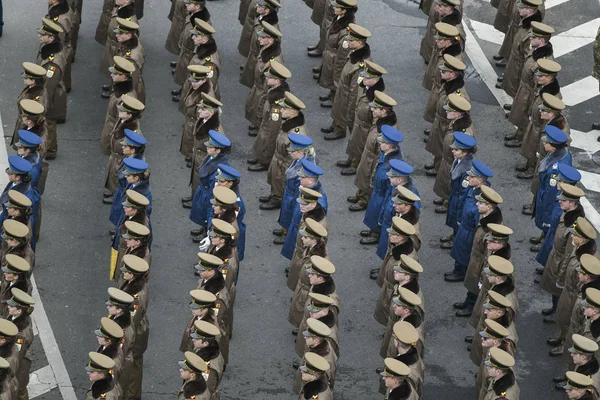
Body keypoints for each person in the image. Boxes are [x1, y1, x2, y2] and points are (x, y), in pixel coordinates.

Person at [551, 217, 598, 355]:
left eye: (575, 235)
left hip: (575, 295)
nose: (572, 236)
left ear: (582, 239)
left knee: (571, 322)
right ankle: (561, 337)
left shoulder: (588, 260)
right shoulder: (578, 247)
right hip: (568, 290)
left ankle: (564, 343)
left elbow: (586, 284)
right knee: (562, 317)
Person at [455, 187, 505, 317]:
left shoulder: (492, 229)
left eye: (481, 203)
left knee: (478, 287)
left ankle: (472, 306)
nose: (477, 204)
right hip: (477, 257)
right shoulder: (485, 216)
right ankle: (468, 301)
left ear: (489, 206)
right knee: (472, 283)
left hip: (482, 262)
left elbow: (490, 255)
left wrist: (484, 274)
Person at [349, 91, 398, 211]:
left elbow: (380, 156)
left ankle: (364, 200)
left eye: (376, 108)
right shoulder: (380, 121)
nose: (372, 110)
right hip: (368, 155)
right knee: (362, 176)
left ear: (384, 111)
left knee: (367, 178)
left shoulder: (386, 131)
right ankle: (360, 195)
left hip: (373, 159)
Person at [322, 23, 372, 141]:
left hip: (347, 94)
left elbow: (355, 90)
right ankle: (336, 126)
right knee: (338, 109)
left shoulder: (361, 65)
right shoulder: (354, 52)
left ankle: (341, 132)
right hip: (343, 89)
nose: (348, 42)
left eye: (351, 40)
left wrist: (350, 110)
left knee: (351, 127)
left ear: (359, 43)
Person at [446, 160, 494, 283]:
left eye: (471, 176)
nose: (468, 178)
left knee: (465, 253)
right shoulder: (472, 189)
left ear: (480, 180)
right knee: (460, 250)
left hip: (470, 230)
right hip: (464, 225)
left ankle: (461, 272)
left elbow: (480, 221)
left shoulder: (483, 198)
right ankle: (459, 270)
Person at [337, 60, 387, 174]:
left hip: (366, 126)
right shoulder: (367, 88)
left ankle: (356, 164)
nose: (364, 79)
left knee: (361, 145)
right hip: (359, 121)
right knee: (354, 141)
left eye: (367, 78)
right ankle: (351, 159)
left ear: (376, 80)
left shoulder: (378, 97)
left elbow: (378, 117)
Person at [260, 92, 308, 210]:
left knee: (280, 180)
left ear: (292, 112)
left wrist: (287, 169)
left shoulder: (296, 133)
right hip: (279, 158)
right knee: (274, 179)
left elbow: (295, 157)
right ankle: (275, 195)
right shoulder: (288, 123)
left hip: (285, 163)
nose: (281, 111)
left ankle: (278, 199)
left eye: (285, 109)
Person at [423, 56, 469, 178]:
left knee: (444, 149)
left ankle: (439, 169)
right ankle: (437, 164)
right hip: (441, 121)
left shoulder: (457, 95)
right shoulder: (448, 85)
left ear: (453, 75)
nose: (440, 72)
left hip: (447, 124)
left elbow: (461, 113)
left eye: (444, 71)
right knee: (438, 146)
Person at [526, 125, 571, 246]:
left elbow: (551, 195)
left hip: (549, 196)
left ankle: (544, 241)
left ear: (553, 146)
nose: (544, 144)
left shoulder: (555, 169)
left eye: (546, 142)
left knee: (548, 220)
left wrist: (542, 203)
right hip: (546, 191)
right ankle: (543, 236)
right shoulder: (560, 154)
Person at [360, 125, 405, 245]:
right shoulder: (385, 154)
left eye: (382, 142)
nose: (379, 143)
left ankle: (376, 233)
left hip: (382, 194)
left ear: (389, 145)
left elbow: (389, 193)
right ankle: (373, 229)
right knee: (372, 212)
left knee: (378, 212)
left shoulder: (393, 166)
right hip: (377, 191)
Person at [504, 21, 554, 120]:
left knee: (523, 119)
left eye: (534, 37)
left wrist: (532, 109)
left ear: (542, 41)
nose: (530, 38)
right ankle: (515, 108)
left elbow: (538, 89)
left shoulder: (542, 64)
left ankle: (520, 134)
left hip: (529, 94)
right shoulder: (536, 49)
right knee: (518, 109)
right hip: (524, 88)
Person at [466, 232, 515, 332]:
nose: (487, 241)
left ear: (500, 245)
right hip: (486, 290)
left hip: (489, 292)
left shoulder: (502, 265)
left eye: (492, 241)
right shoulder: (492, 251)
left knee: (485, 316)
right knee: (481, 315)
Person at [279, 161, 328, 257]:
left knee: (300, 253)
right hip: (296, 225)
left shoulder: (320, 203)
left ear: (310, 180)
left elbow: (316, 231)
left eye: (302, 177)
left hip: (304, 233)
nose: (299, 178)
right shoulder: (306, 188)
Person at [374, 219, 419, 323]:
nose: (389, 235)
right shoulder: (396, 245)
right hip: (390, 287)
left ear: (400, 237)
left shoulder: (405, 259)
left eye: (392, 234)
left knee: (393, 315)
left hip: (393, 290)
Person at [243, 21, 284, 134]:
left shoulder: (272, 63)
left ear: (270, 40)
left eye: (262, 37)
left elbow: (268, 92)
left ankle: (260, 124)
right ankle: (257, 123)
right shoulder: (266, 49)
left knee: (262, 104)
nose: (258, 39)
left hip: (262, 89)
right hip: (258, 87)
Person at [102, 95, 145, 203]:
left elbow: (136, 152)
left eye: (122, 110)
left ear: (129, 115)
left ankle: (120, 195)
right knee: (114, 174)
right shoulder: (123, 121)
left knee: (121, 178)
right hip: (117, 156)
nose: (119, 111)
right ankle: (114, 191)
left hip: (123, 158)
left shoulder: (132, 132)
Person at [247, 60, 291, 164]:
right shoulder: (273, 90)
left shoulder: (278, 105)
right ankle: (261, 156)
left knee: (267, 139)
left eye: (270, 77)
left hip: (269, 129)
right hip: (265, 126)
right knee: (261, 140)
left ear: (277, 81)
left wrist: (269, 151)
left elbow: (273, 131)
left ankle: (265, 161)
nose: (266, 78)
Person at [273, 134, 315, 243]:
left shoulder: (303, 170)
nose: (290, 153)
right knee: (286, 213)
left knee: (291, 215)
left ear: (301, 152)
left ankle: (287, 235)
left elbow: (300, 189)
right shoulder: (299, 160)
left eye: (293, 151)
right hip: (289, 193)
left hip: (294, 196)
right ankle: (284, 229)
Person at [374, 161, 421, 258]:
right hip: (389, 226)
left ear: (399, 180)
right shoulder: (395, 188)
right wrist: (381, 219)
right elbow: (386, 202)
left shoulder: (409, 197)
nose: (388, 178)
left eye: (392, 177)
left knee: (393, 252)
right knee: (386, 249)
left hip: (396, 232)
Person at [36, 18, 68, 159]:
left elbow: (49, 85)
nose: (39, 36)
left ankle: (50, 150)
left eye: (43, 35)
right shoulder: (51, 49)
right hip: (54, 90)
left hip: (52, 94)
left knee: (48, 121)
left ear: (51, 37)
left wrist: (42, 103)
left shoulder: (51, 62)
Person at [118, 255, 149, 400]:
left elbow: (132, 321)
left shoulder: (136, 297)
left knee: (133, 367)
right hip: (135, 331)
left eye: (126, 272)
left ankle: (132, 396)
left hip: (136, 333)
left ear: (133, 275)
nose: (123, 273)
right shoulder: (130, 284)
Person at [437, 131, 476, 244]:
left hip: (459, 200)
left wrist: (459, 216)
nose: (452, 151)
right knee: (453, 220)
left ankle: (456, 240)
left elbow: (463, 194)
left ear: (464, 152)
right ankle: (454, 235)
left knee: (458, 221)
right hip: (455, 196)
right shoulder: (459, 160)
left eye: (456, 150)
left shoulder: (466, 171)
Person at [498, 3, 544, 97]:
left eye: (522, 7)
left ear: (530, 10)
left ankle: (514, 107)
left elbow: (527, 55)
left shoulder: (530, 32)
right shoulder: (526, 22)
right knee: (511, 81)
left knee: (516, 86)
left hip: (519, 64)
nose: (518, 8)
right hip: (515, 59)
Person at [188, 130, 231, 230]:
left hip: (209, 193)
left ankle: (207, 231)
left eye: (210, 147)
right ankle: (204, 227)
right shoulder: (212, 157)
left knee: (208, 212)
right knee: (201, 211)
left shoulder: (219, 170)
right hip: (204, 190)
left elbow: (215, 191)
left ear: (218, 151)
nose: (207, 147)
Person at [185, 93, 223, 204]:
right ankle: (194, 197)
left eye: (202, 109)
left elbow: (218, 150)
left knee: (203, 181)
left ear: (211, 112)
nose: (199, 111)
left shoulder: (214, 130)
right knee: (196, 178)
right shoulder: (204, 120)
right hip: (198, 155)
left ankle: (198, 202)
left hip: (205, 157)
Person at [285, 193, 328, 292]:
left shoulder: (318, 224)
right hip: (302, 252)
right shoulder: (309, 213)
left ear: (313, 204)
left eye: (305, 204)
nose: (301, 206)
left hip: (305, 254)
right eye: (301, 203)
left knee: (304, 280)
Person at [316, 0, 357, 99]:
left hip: (335, 58)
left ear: (343, 11)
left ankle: (334, 98)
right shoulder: (339, 18)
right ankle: (331, 94)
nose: (333, 7)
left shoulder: (346, 32)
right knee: (330, 77)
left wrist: (338, 73)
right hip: (330, 55)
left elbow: (342, 56)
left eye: (337, 7)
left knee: (334, 79)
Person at [108, 130, 149, 227]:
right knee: (118, 213)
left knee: (123, 214)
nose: (122, 147)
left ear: (133, 150)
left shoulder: (135, 166)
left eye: (125, 146)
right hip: (122, 191)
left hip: (125, 192)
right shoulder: (129, 158)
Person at [173, 18, 219, 102]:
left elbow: (209, 85)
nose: (192, 37)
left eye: (196, 35)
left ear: (205, 39)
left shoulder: (209, 63)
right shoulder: (201, 47)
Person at [110, 190, 150, 279]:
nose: (124, 207)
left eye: (127, 206)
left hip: (127, 254)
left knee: (124, 279)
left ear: (135, 210)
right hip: (124, 251)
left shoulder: (139, 225)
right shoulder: (130, 216)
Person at [100, 56, 137, 154]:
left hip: (114, 131)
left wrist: (113, 139)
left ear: (123, 76)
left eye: (115, 73)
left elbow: (122, 123)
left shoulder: (125, 99)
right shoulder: (120, 89)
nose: (111, 75)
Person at [289, 256, 337, 330]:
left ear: (320, 278)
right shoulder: (317, 286)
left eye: (312, 274)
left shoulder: (327, 300)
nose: (309, 275)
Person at [104, 18, 145, 102]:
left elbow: (132, 80)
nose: (116, 36)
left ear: (128, 35)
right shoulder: (130, 42)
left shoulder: (131, 59)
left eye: (120, 34)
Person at [173, 0, 212, 87]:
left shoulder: (202, 24)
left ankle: (184, 90)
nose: (186, 4)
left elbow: (201, 44)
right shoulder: (193, 14)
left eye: (189, 3)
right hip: (185, 51)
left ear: (197, 6)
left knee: (187, 76)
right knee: (182, 72)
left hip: (190, 54)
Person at [293, 318, 337, 394]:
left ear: (316, 340)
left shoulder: (322, 360)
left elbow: (327, 376)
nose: (304, 337)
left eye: (308, 336)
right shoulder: (315, 345)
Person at [238, 0, 280, 78]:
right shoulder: (261, 17)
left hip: (259, 56)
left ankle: (252, 72)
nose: (256, 6)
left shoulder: (267, 29)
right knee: (252, 52)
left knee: (256, 55)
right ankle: (250, 70)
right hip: (252, 29)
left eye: (260, 6)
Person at [105, 287, 135, 396]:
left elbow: (120, 352)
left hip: (121, 366)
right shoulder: (118, 319)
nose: (108, 307)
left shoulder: (122, 331)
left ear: (119, 310)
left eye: (111, 306)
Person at [6, 288, 35, 400]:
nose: (8, 307)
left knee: (20, 390)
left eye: (11, 306)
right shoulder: (16, 317)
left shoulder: (21, 333)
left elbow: (16, 354)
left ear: (19, 311)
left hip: (21, 363)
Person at [473, 319, 515, 396]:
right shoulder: (492, 349)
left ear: (495, 341)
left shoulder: (500, 361)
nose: (482, 339)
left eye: (486, 338)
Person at [294, 293, 340, 359]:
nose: (310, 313)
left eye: (315, 312)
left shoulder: (328, 337)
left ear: (324, 311)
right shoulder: (318, 320)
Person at [12, 62, 47, 142]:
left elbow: (35, 117)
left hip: (27, 125)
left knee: (24, 147)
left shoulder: (38, 96)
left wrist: (26, 127)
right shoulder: (31, 88)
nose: (24, 79)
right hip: (24, 122)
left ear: (33, 81)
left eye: (26, 78)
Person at [419, 0, 462, 64]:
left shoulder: (453, 25)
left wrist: (445, 16)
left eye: (439, 6)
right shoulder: (439, 6)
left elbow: (457, 42)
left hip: (439, 44)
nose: (436, 7)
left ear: (448, 8)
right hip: (432, 35)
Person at [423, 22, 462, 91]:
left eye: (440, 39)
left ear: (447, 42)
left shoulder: (452, 60)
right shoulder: (442, 47)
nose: (436, 41)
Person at [191, 320, 224, 399]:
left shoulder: (209, 366)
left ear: (205, 343)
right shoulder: (202, 349)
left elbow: (206, 390)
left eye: (197, 338)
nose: (193, 340)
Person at [0, 157, 34, 229]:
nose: (8, 174)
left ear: (18, 177)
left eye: (11, 173)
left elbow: (21, 217)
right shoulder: (14, 183)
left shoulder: (23, 197)